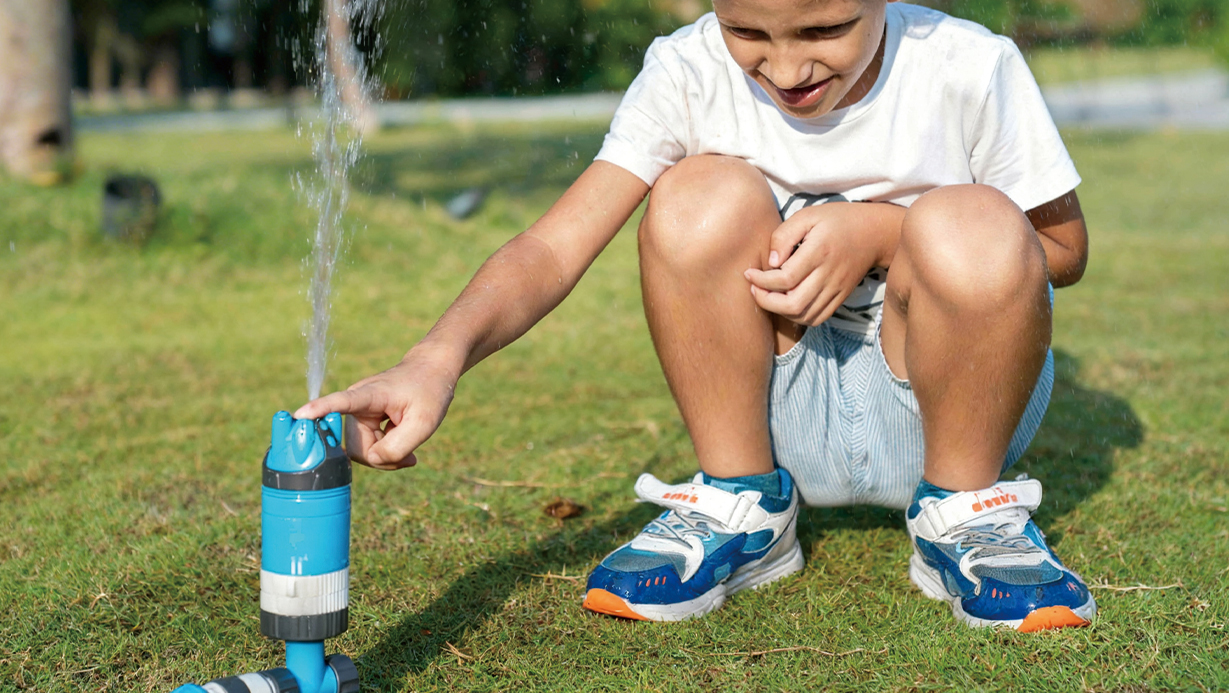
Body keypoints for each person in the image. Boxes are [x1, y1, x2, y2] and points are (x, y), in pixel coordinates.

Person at [297, 0, 1095, 632]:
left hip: (949, 410)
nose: (785, 67)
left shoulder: (968, 64)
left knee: (976, 221)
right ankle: (742, 504)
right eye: (746, 30)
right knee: (692, 194)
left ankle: (965, 516)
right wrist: (433, 360)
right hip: (772, 412)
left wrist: (883, 229)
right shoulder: (684, 68)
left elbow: (1059, 250)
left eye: (825, 29)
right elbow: (550, 249)